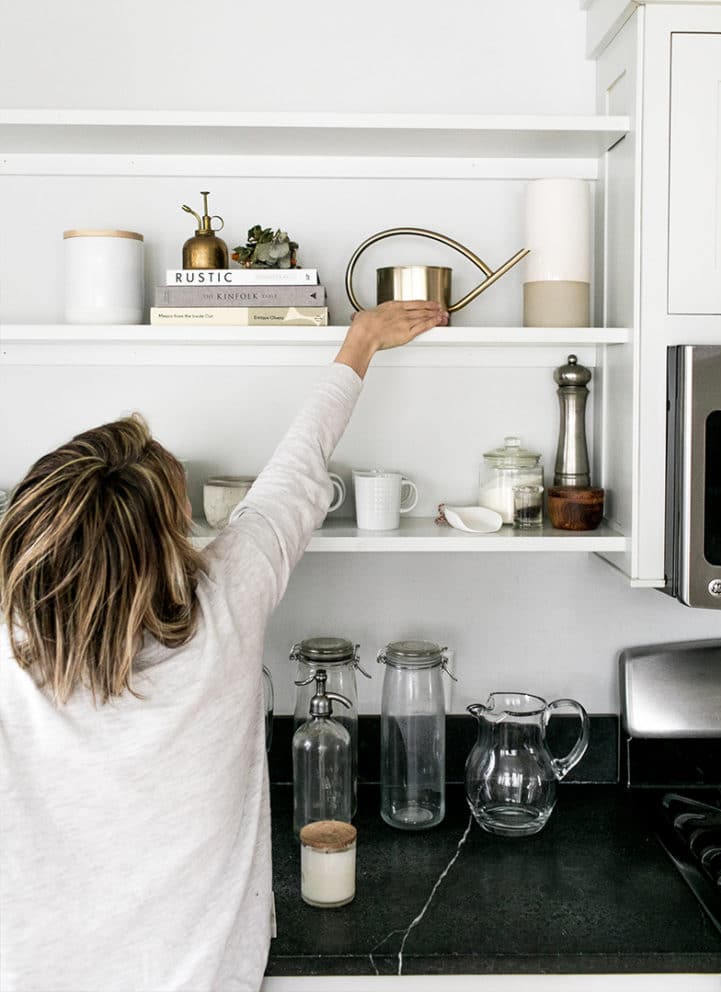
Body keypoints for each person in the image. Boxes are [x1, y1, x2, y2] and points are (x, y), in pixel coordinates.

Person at [0, 300, 448, 992]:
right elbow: (295, 478)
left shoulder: (10, 640)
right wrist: (360, 343)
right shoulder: (223, 605)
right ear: (162, 546)